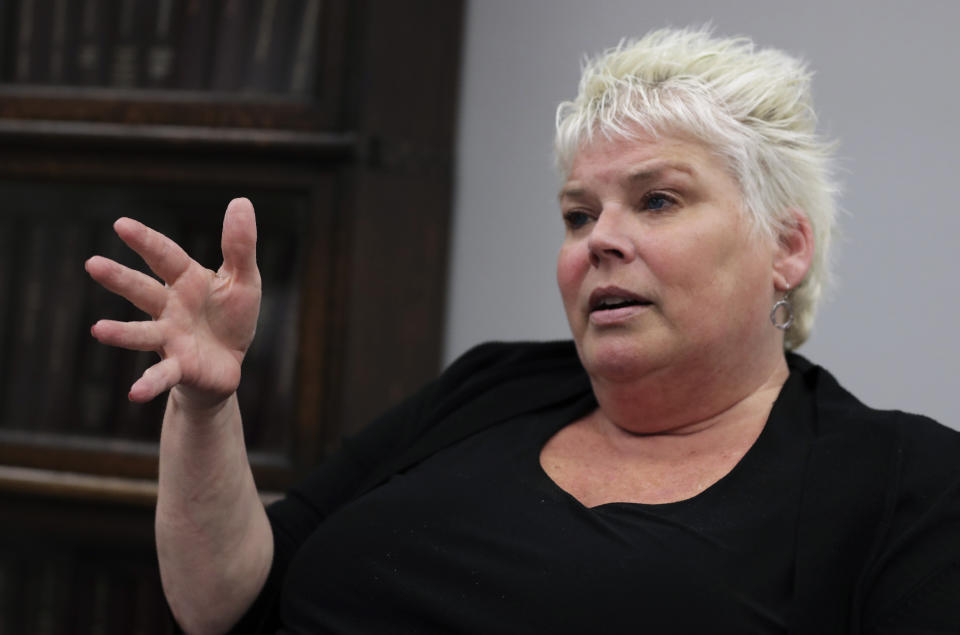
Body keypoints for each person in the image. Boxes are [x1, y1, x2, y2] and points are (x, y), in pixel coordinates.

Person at [86, 27, 960, 634]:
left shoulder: (901, 485)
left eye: (658, 199)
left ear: (787, 245)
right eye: (579, 216)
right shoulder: (490, 386)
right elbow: (223, 604)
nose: (601, 240)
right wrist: (206, 409)